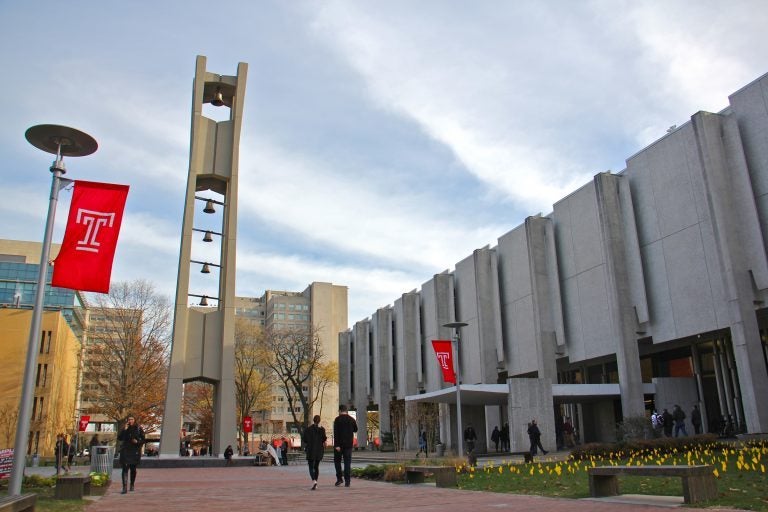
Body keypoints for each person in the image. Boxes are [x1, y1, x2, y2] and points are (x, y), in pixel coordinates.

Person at [117, 415, 145, 494]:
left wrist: (137, 442)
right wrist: (124, 430)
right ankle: (124, 487)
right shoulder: (125, 428)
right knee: (125, 468)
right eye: (129, 419)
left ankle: (132, 484)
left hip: (135, 451)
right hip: (125, 450)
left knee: (133, 469)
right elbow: (120, 438)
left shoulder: (138, 428)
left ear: (134, 420)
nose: (130, 421)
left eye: (132, 419)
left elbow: (143, 440)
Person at [333, 404, 358, 487]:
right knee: (347, 463)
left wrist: (336, 445)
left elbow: (336, 433)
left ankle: (339, 479)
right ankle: (348, 481)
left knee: (337, 462)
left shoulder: (337, 420)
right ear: (346, 410)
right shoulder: (351, 419)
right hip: (348, 445)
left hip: (339, 445)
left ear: (340, 411)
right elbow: (355, 429)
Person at [303, 414, 327, 490]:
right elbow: (324, 439)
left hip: (310, 450)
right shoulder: (322, 429)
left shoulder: (308, 429)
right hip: (319, 450)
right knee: (316, 467)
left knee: (310, 467)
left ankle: (314, 481)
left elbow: (304, 439)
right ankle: (316, 481)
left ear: (313, 420)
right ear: (319, 421)